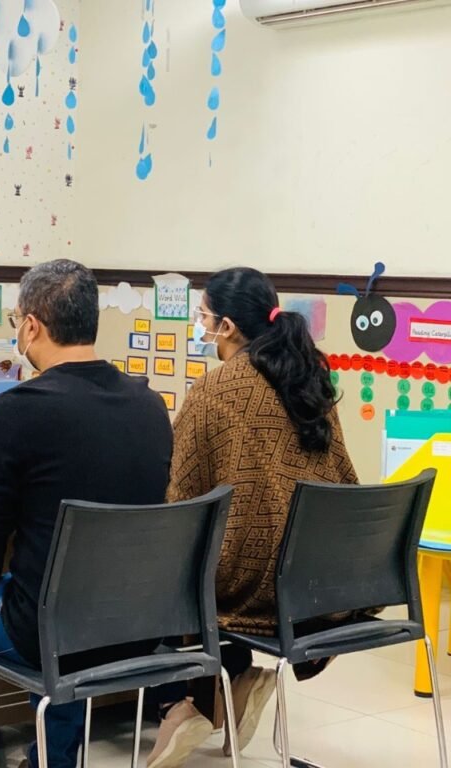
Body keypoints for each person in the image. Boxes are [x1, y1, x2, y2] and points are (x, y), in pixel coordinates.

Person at [0, 259, 174, 768]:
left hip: (46, 629)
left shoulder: (17, 410)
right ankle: (52, 760)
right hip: (133, 625)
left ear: (32, 326)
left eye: (15, 319)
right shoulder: (150, 405)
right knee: (63, 600)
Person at [146, 267, 358, 768]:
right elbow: (344, 478)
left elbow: (181, 501)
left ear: (227, 326)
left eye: (203, 317)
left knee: (164, 563)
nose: (200, 327)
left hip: (254, 585)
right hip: (321, 578)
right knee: (221, 546)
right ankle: (234, 681)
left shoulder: (214, 390)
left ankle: (181, 704)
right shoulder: (310, 380)